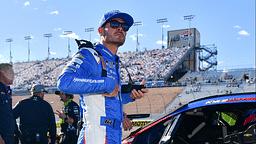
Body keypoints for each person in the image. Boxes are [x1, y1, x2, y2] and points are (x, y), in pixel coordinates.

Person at [57, 10, 148, 144]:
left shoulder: (113, 61)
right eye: (114, 24)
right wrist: (108, 84)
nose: (120, 28)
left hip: (112, 135)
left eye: (125, 27)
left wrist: (130, 96)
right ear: (100, 30)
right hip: (96, 135)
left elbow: (103, 101)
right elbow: (64, 82)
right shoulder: (90, 55)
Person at [0, 63, 15, 144]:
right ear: (2, 73)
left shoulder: (8, 90)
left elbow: (9, 113)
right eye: (10, 72)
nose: (13, 75)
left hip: (9, 134)